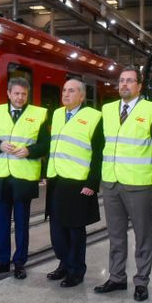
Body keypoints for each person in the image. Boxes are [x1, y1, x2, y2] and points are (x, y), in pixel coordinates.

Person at [95, 68, 152, 302]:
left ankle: (142, 281)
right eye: (122, 81)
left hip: (139, 183)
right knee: (115, 235)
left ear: (139, 86)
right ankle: (116, 277)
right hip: (111, 182)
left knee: (143, 235)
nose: (124, 85)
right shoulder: (107, 109)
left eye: (130, 81)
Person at [0, 77, 50, 280]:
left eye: (24, 94)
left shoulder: (38, 114)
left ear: (28, 95)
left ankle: (19, 262)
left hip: (24, 177)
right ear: (9, 94)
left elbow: (46, 144)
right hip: (0, 176)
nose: (20, 97)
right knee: (1, 223)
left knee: (22, 223)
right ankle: (2, 261)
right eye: (16, 93)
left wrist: (30, 150)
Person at [45, 79, 104, 288]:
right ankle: (64, 263)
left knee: (74, 230)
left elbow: (98, 153)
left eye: (72, 91)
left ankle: (76, 270)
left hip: (78, 182)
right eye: (64, 90)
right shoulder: (58, 114)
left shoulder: (94, 117)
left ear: (81, 96)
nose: (66, 94)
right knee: (57, 229)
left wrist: (92, 182)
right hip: (56, 179)